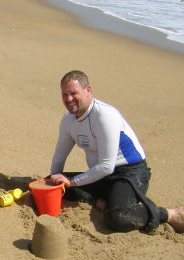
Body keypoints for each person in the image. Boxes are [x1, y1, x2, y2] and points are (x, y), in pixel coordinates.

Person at [49, 70, 183, 233]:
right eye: (65, 94)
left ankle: (169, 214)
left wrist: (72, 182)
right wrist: (52, 185)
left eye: (73, 93)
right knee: (53, 181)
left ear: (88, 90)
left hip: (130, 173)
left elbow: (106, 166)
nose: (69, 99)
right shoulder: (68, 120)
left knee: (117, 218)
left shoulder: (105, 115)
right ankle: (101, 202)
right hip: (101, 174)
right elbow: (59, 157)